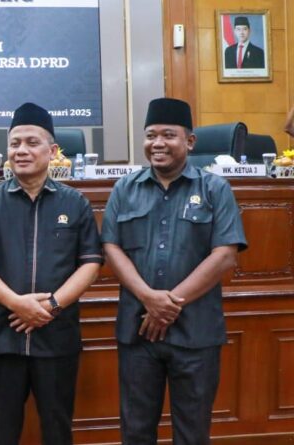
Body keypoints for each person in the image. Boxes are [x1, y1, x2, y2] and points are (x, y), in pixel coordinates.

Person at [0, 103, 103, 445]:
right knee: (1, 432)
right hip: (3, 336)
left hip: (57, 335)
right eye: (15, 143)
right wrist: (16, 303)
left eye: (32, 143)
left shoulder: (75, 203)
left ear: (53, 151)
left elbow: (91, 263)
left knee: (57, 430)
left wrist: (52, 305)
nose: (21, 150)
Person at [101, 98, 247, 444]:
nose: (158, 143)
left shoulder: (214, 189)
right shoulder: (125, 188)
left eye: (168, 135)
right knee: (136, 431)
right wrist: (149, 299)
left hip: (196, 334)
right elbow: (111, 247)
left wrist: (168, 304)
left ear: (190, 141)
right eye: (151, 135)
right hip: (138, 332)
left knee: (192, 432)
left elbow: (225, 255)